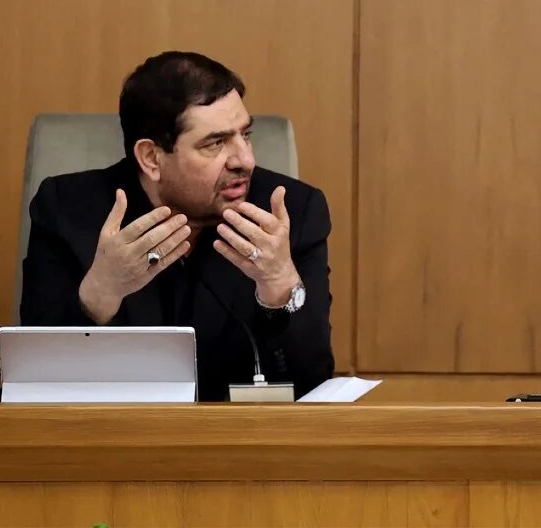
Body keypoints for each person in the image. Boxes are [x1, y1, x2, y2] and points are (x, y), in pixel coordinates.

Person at [19, 52, 333, 400]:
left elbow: (313, 384)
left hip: (240, 443)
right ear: (151, 158)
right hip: (111, 441)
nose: (245, 160)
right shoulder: (68, 211)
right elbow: (36, 385)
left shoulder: (292, 214)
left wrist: (281, 286)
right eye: (215, 143)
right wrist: (99, 293)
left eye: (245, 135)